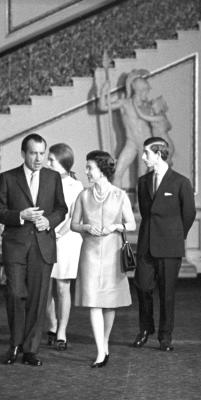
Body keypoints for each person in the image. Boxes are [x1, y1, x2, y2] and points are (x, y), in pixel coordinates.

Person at [0, 133, 67, 367]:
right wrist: (20, 216)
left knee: (38, 298)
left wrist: (50, 221)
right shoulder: (8, 178)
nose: (38, 158)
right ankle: (14, 344)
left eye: (42, 153)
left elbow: (61, 208)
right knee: (15, 294)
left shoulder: (53, 177)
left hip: (43, 246)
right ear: (23, 153)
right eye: (33, 153)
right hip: (15, 245)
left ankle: (31, 350)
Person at [71, 151, 136, 367]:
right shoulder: (83, 195)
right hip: (89, 253)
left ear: (102, 169)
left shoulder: (119, 195)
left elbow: (132, 224)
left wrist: (115, 227)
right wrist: (86, 227)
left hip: (112, 253)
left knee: (109, 303)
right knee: (93, 302)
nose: (86, 171)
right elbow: (74, 224)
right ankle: (100, 351)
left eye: (90, 167)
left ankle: (105, 342)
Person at [133, 137, 196, 352]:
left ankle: (165, 336)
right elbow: (145, 211)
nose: (143, 157)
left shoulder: (180, 182)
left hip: (170, 247)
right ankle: (145, 329)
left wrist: (176, 236)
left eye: (146, 153)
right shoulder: (142, 182)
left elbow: (189, 214)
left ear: (159, 154)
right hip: (146, 245)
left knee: (167, 293)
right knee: (142, 287)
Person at [44, 143, 83, 351]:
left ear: (63, 162)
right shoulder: (44, 180)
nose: (47, 162)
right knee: (45, 287)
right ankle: (51, 325)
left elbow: (73, 216)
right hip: (45, 237)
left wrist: (58, 233)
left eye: (51, 160)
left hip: (67, 239)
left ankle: (62, 330)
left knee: (62, 286)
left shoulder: (75, 186)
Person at [96, 68, 153, 187]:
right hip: (131, 143)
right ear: (138, 91)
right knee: (117, 173)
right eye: (145, 90)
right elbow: (103, 107)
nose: (147, 93)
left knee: (142, 176)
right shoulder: (125, 103)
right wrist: (103, 92)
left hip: (146, 143)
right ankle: (118, 203)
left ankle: (140, 205)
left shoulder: (147, 105)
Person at [130, 74, 175, 164]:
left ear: (159, 107)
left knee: (162, 166)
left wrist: (134, 104)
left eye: (153, 103)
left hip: (166, 145)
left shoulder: (160, 118)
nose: (151, 104)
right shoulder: (155, 115)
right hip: (159, 145)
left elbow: (142, 116)